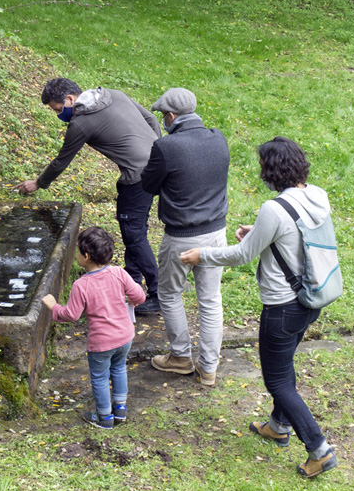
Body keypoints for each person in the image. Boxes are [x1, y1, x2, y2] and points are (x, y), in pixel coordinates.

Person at [180, 137, 337, 479]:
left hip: (282, 307)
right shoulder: (317, 196)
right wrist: (259, 233)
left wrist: (201, 255)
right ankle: (278, 426)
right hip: (312, 300)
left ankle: (319, 450)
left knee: (278, 381)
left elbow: (241, 255)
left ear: (273, 170)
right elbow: (299, 236)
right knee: (285, 368)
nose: (261, 172)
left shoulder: (274, 209)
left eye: (263, 166)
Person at [16, 78, 162, 314]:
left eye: (57, 109)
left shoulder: (81, 123)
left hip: (138, 177)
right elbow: (152, 119)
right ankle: (133, 281)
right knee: (133, 228)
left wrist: (39, 183)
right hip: (153, 169)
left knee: (133, 233)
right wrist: (157, 153)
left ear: (70, 99)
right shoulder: (113, 93)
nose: (58, 115)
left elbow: (62, 160)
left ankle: (158, 295)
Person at [140, 87, 230, 387]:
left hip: (180, 236)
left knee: (168, 293)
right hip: (217, 233)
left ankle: (180, 356)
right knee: (210, 299)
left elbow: (148, 185)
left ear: (170, 115)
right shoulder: (219, 138)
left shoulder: (167, 146)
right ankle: (209, 368)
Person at [43, 226, 146, 429]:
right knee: (118, 369)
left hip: (101, 343)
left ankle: (105, 418)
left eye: (78, 252)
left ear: (87, 256)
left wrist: (53, 307)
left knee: (99, 378)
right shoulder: (119, 273)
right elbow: (140, 297)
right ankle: (121, 409)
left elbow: (71, 315)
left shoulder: (81, 285)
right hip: (125, 337)